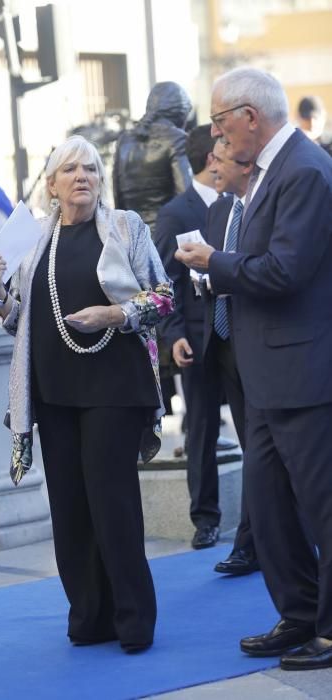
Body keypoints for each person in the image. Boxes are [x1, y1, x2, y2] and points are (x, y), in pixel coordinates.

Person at [0, 135, 174, 653]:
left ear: (100, 178)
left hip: (114, 385)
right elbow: (19, 317)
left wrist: (116, 314)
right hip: (54, 390)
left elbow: (164, 296)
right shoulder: (34, 239)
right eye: (70, 170)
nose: (82, 176)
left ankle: (134, 620)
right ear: (52, 184)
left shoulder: (125, 227)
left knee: (112, 505)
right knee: (69, 508)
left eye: (89, 167)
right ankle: (89, 616)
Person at [176, 67, 332, 670]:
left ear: (248, 115)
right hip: (268, 377)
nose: (216, 136)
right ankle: (299, 614)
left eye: (218, 121)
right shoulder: (274, 171)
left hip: (305, 376)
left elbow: (286, 271)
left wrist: (216, 261)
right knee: (267, 511)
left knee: (321, 506)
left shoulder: (305, 170)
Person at [155, 126, 256, 565]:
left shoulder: (239, 205)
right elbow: (165, 282)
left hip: (239, 338)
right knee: (199, 428)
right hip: (196, 340)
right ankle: (206, 519)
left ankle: (254, 528)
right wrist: (173, 333)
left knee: (254, 432)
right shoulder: (178, 212)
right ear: (212, 160)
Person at [196, 139, 258, 575]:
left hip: (262, 345)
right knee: (254, 446)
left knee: (265, 449)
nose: (213, 164)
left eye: (221, 155)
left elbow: (272, 272)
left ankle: (250, 543)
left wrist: (220, 265)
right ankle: (253, 543)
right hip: (221, 345)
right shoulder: (217, 211)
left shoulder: (263, 208)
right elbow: (204, 276)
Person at [112, 81, 192, 233]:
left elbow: (118, 198)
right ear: (180, 111)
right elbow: (186, 197)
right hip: (167, 237)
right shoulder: (177, 139)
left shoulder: (124, 141)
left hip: (131, 235)